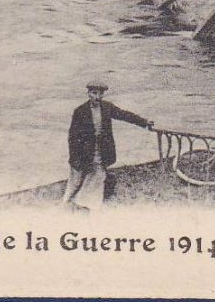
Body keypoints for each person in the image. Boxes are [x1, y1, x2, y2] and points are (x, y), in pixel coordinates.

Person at [64, 81, 155, 211]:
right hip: (83, 150)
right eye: (94, 93)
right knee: (76, 178)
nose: (97, 97)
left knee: (97, 174)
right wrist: (75, 156)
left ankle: (87, 204)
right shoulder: (80, 111)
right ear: (88, 93)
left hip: (100, 149)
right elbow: (73, 136)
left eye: (100, 94)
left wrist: (144, 122)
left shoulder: (107, 107)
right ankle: (67, 202)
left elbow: (124, 115)